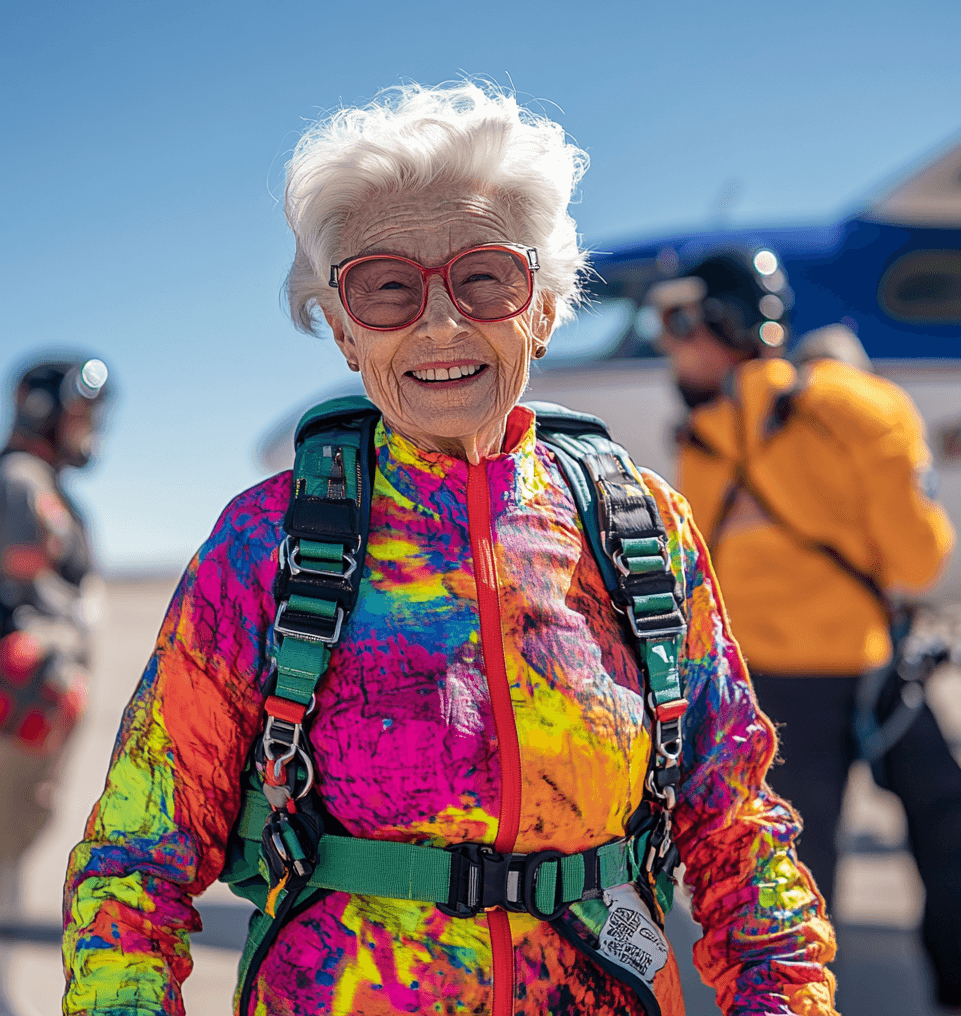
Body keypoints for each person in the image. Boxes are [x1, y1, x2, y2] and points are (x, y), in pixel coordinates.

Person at [62, 83, 836, 1016]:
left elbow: (737, 831)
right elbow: (136, 867)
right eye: (386, 287)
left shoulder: (639, 528)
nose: (439, 323)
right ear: (345, 333)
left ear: (544, 309)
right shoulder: (269, 545)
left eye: (485, 278)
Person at [650, 251, 961, 1011]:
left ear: (718, 322)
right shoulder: (864, 406)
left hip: (772, 691)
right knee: (949, 827)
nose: (671, 348)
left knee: (799, 875)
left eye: (681, 326)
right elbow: (920, 559)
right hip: (875, 672)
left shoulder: (703, 438)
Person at [0, 356, 111, 1016]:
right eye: (80, 412)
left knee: (18, 852)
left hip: (31, 714)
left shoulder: (27, 480)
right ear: (43, 410)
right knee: (5, 863)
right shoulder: (20, 484)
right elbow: (30, 607)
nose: (90, 427)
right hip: (21, 713)